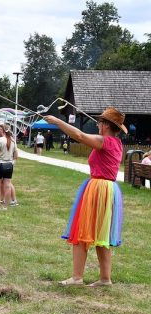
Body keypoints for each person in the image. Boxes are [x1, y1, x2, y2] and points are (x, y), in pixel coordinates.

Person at [44, 107, 125, 287]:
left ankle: (77, 277)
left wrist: (57, 121)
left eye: (100, 122)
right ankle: (105, 279)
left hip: (98, 188)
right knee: (102, 235)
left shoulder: (105, 141)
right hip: (108, 190)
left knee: (82, 230)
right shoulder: (116, 143)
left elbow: (80, 136)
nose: (97, 124)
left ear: (105, 125)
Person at [0, 124, 18, 210]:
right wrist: (10, 160)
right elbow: (16, 155)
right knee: (7, 185)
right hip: (9, 165)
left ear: (4, 130)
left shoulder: (0, 140)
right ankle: (6, 206)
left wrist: (0, 157)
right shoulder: (13, 140)